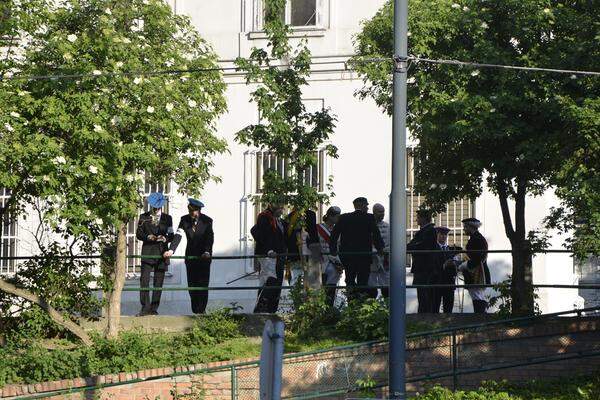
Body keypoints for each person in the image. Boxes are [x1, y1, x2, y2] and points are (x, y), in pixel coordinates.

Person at [163, 198, 214, 314]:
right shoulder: (184, 220)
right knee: (192, 285)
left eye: (194, 211)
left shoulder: (207, 221)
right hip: (190, 257)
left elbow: (209, 238)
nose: (192, 214)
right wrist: (171, 250)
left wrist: (207, 252)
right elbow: (178, 235)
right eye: (190, 211)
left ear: (199, 210)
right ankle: (195, 310)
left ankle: (202, 310)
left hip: (204, 257)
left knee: (202, 285)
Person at [330, 197, 384, 300]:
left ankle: (351, 303)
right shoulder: (369, 218)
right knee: (362, 282)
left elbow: (334, 234)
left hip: (348, 256)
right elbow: (376, 235)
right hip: (364, 256)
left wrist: (333, 250)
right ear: (362, 205)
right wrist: (380, 248)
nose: (368, 208)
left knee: (349, 280)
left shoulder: (344, 217)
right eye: (366, 205)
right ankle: (360, 304)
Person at [135, 192, 173, 316]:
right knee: (144, 280)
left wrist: (165, 238)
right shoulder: (143, 217)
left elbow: (171, 235)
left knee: (158, 281)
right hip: (147, 252)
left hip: (162, 253)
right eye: (154, 206)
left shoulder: (168, 218)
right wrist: (147, 236)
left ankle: (154, 309)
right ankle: (144, 308)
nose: (156, 208)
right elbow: (138, 234)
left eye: (158, 206)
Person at [251, 204, 287, 313]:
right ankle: (261, 310)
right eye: (281, 208)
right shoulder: (264, 217)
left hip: (279, 257)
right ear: (273, 207)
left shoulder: (279, 221)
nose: (282, 211)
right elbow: (261, 235)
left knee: (276, 283)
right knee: (269, 281)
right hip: (269, 256)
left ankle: (272, 309)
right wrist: (269, 250)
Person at [407, 209, 437, 313]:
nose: (416, 220)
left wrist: (411, 247)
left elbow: (423, 246)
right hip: (422, 267)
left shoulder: (430, 231)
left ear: (424, 218)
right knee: (422, 293)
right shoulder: (424, 231)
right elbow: (414, 245)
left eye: (418, 217)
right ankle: (423, 312)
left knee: (425, 293)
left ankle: (425, 314)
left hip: (425, 267)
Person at [458, 218, 491, 313]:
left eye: (465, 227)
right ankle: (480, 315)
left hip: (477, 272)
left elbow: (478, 258)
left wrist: (465, 265)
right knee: (476, 294)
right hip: (474, 271)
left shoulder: (477, 239)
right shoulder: (476, 238)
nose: (464, 229)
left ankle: (480, 316)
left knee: (477, 295)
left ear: (470, 227)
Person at [431, 226, 462, 313]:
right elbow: (432, 264)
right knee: (435, 305)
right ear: (437, 235)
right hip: (437, 280)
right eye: (441, 234)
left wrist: (456, 263)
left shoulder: (450, 249)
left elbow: (456, 263)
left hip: (449, 281)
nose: (443, 236)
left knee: (448, 306)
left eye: (445, 235)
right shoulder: (433, 248)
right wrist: (444, 265)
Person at [285, 209, 318, 287]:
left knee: (311, 283)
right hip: (296, 255)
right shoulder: (291, 216)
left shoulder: (311, 214)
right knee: (296, 279)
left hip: (310, 254)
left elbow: (313, 236)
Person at [317, 206, 343, 306]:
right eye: (337, 216)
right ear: (330, 216)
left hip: (335, 263)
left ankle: (329, 309)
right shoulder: (318, 228)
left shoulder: (339, 230)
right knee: (321, 289)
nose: (339, 218)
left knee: (331, 290)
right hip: (322, 262)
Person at [368, 203, 390, 299]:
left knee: (386, 286)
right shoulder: (368, 226)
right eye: (380, 212)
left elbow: (392, 243)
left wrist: (385, 251)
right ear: (374, 212)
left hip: (385, 259)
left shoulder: (388, 226)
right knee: (371, 287)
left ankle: (387, 309)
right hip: (372, 260)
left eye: (383, 212)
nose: (382, 214)